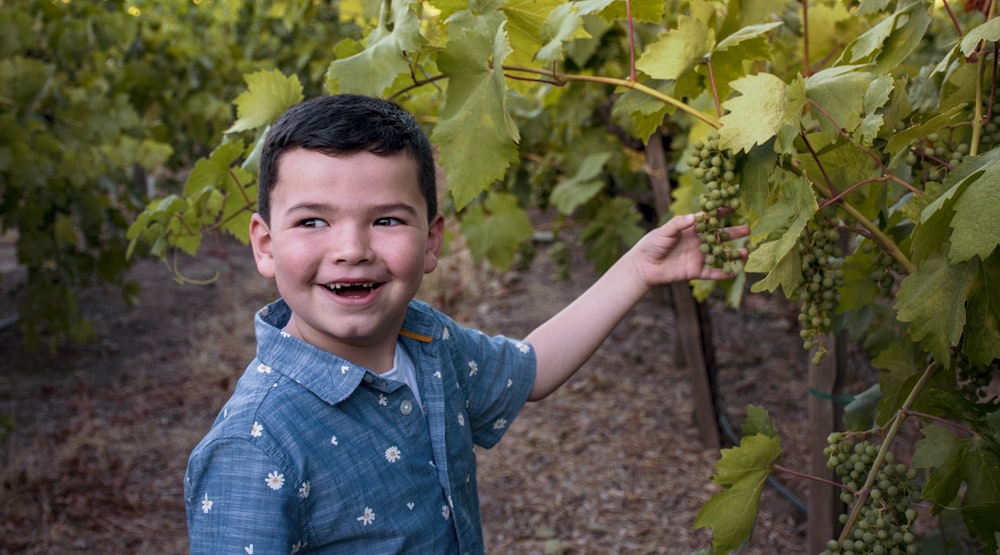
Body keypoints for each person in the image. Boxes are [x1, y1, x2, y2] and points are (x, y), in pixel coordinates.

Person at [184, 94, 748, 554]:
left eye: (385, 220)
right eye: (312, 221)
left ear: (432, 241)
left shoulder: (429, 344)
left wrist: (639, 270)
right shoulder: (253, 446)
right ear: (265, 245)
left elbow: (534, 368)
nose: (351, 249)